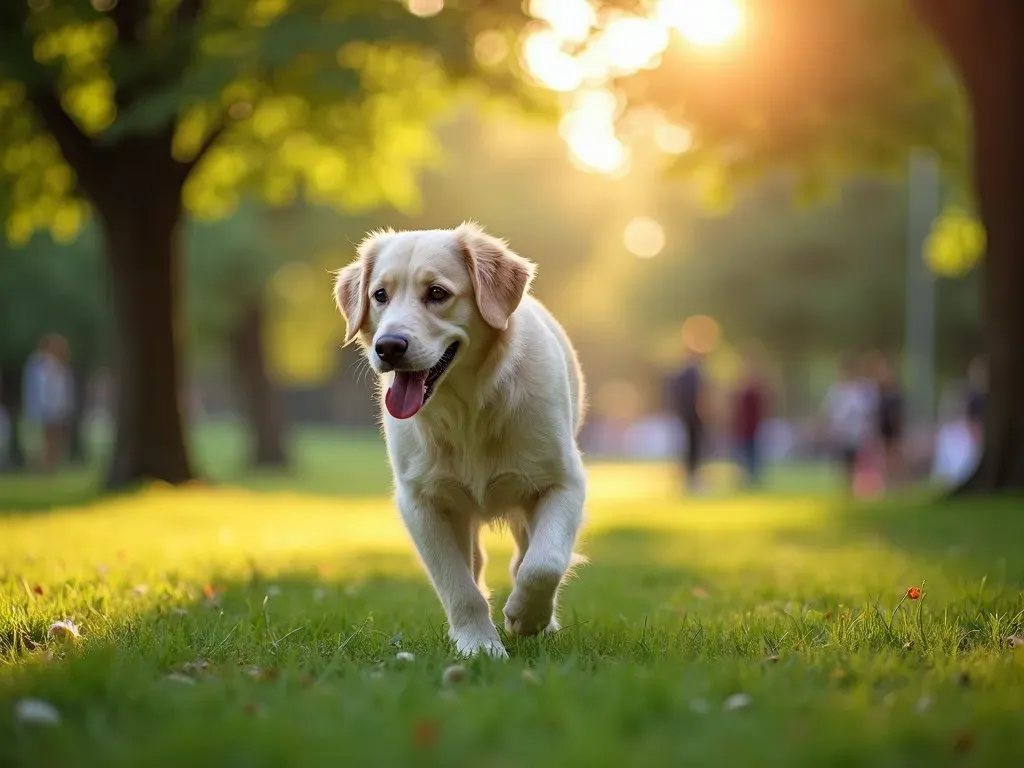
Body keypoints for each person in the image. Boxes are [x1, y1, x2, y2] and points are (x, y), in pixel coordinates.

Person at [820, 355, 875, 491]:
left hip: (855, 435)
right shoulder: (835, 391)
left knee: (855, 464)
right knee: (841, 464)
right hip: (839, 434)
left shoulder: (859, 391)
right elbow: (828, 412)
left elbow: (866, 413)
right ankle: (844, 489)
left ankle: (855, 488)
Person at [22, 334, 74, 473]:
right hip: (47, 408)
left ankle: (50, 467)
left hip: (55, 407)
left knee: (54, 439)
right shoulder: (40, 365)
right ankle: (44, 468)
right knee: (46, 439)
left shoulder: (58, 366)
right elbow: (40, 388)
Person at [667, 349, 706, 490]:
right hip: (691, 417)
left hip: (686, 417)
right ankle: (690, 477)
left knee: (688, 449)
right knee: (691, 449)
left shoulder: (681, 375)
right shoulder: (694, 375)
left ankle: (690, 477)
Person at [732, 348, 770, 487]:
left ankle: (752, 478)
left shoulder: (756, 389)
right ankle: (745, 478)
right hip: (742, 428)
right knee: (743, 454)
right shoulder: (742, 388)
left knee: (752, 453)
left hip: (752, 427)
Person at [874, 354, 905, 486]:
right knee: (884, 458)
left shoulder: (894, 393)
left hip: (893, 430)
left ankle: (896, 482)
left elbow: (898, 413)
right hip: (883, 429)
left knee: (893, 457)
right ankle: (887, 483)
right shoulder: (878, 391)